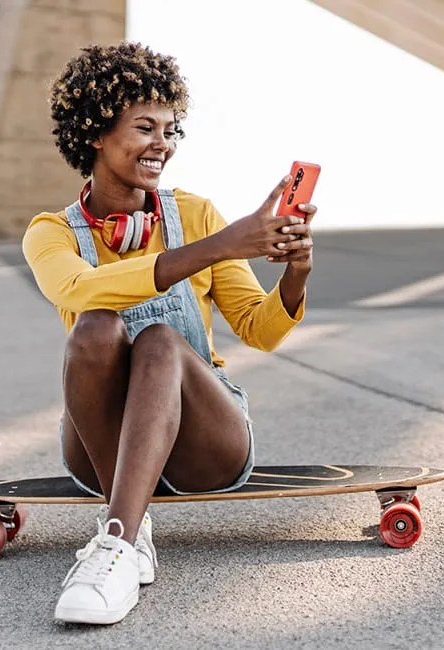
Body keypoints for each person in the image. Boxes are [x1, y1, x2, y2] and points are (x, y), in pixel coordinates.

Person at [22, 41, 316, 625]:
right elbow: (78, 291)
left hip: (206, 446)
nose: (164, 143)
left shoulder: (196, 215)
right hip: (101, 450)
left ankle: (114, 544)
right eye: (144, 127)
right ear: (95, 133)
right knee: (95, 329)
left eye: (170, 128)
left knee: (159, 339)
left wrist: (296, 276)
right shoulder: (51, 233)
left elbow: (258, 330)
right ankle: (130, 535)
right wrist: (221, 246)